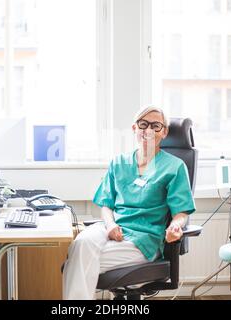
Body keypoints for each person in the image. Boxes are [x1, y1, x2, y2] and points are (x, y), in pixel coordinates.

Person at [62, 106, 196, 300]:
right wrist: (110, 225)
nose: (148, 130)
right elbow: (106, 204)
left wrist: (175, 226)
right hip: (112, 227)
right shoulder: (119, 163)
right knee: (80, 244)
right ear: (134, 128)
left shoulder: (175, 167)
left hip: (143, 239)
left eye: (156, 126)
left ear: (165, 132)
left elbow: (181, 211)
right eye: (143, 124)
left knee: (76, 262)